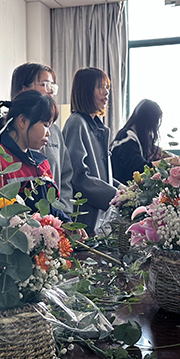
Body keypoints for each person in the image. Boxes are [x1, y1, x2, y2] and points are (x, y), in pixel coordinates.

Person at [0, 90, 70, 221]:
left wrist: (67, 225)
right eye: (45, 125)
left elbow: (52, 208)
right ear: (23, 121)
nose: (48, 134)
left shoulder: (42, 163)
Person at [62, 67, 121, 236]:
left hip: (100, 215)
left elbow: (103, 176)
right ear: (86, 91)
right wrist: (115, 194)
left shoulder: (97, 126)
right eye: (100, 87)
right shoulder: (76, 123)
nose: (106, 92)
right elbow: (77, 176)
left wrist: (126, 190)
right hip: (86, 217)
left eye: (107, 87)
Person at [11, 63, 74, 213]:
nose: (51, 91)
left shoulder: (55, 132)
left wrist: (63, 215)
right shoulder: (1, 132)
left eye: (53, 85)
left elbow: (65, 176)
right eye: (45, 84)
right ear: (23, 90)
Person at [110, 99, 165, 184]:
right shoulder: (127, 138)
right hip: (120, 191)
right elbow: (140, 167)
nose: (152, 131)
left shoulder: (133, 138)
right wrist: (168, 162)